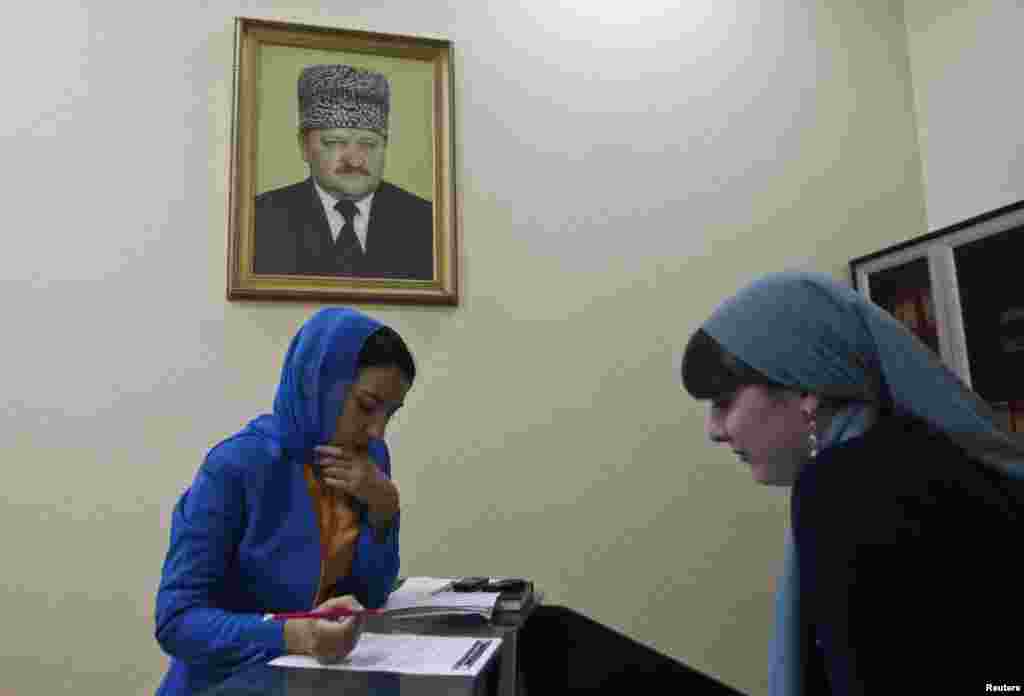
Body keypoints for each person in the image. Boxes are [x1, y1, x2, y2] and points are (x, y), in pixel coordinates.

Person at [680, 271, 1024, 695]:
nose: (714, 430)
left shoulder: (842, 486)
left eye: (723, 402)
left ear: (805, 389)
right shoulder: (921, 453)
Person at [155, 308, 415, 695]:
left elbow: (369, 596)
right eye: (366, 406)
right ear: (321, 383)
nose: (377, 431)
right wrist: (292, 634)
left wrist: (384, 510)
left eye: (389, 415)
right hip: (226, 684)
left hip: (312, 683)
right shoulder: (237, 466)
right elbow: (177, 621)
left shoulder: (368, 463)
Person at [253, 64, 434, 280]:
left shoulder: (427, 224)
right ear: (303, 146)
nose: (355, 159)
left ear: (385, 145)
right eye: (336, 142)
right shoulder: (259, 221)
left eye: (368, 143)